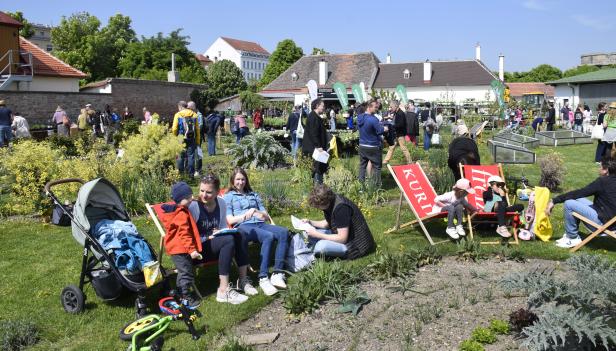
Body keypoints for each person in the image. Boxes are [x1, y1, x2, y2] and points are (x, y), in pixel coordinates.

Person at [188, 175, 254, 304]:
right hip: (198, 250)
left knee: (240, 234)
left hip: (214, 243)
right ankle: (223, 290)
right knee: (228, 240)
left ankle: (243, 281)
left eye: (208, 192)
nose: (204, 195)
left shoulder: (221, 203)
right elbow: (188, 237)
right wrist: (207, 237)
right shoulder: (194, 207)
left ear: (218, 192)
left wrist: (220, 232)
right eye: (202, 191)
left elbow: (223, 226)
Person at [223, 168, 289, 296]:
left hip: (260, 223)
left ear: (246, 180)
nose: (241, 182)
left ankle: (277, 273)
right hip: (243, 226)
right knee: (268, 236)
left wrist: (256, 211)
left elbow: (265, 216)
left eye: (243, 179)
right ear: (232, 180)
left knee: (283, 232)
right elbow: (230, 219)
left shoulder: (253, 194)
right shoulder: (229, 197)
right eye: (238, 179)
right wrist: (244, 216)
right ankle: (263, 277)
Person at [546, 157, 616, 248]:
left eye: (600, 166)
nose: (599, 169)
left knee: (569, 204)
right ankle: (569, 234)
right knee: (578, 200)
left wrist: (554, 201)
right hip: (612, 221)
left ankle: (572, 238)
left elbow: (580, 192)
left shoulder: (603, 182)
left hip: (605, 224)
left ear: (606, 170)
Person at [301, 184, 376, 259]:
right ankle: (314, 246)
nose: (317, 208)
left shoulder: (341, 209)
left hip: (355, 245)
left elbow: (342, 239)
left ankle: (314, 248)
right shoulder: (331, 201)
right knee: (307, 233)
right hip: (342, 236)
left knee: (320, 247)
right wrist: (310, 222)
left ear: (324, 202)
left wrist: (318, 235)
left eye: (317, 206)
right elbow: (328, 223)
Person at [161, 182, 203, 309]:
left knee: (183, 271)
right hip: (181, 248)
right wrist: (192, 250)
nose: (191, 199)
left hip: (176, 249)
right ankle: (186, 297)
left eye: (191, 196)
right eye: (188, 197)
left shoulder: (177, 210)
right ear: (180, 199)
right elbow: (184, 234)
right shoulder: (180, 214)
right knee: (186, 273)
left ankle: (179, 293)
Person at [357, 99, 386, 186]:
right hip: (373, 146)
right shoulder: (373, 119)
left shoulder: (360, 117)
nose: (376, 109)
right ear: (369, 107)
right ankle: (377, 186)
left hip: (362, 145)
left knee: (362, 166)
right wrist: (385, 128)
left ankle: (361, 186)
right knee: (377, 167)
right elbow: (380, 131)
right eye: (375, 107)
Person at [302, 98, 329, 184]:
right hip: (314, 148)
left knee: (319, 166)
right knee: (317, 167)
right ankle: (318, 186)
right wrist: (318, 146)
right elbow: (314, 133)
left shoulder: (315, 116)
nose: (323, 108)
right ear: (317, 106)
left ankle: (318, 185)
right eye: (322, 106)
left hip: (316, 147)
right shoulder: (313, 117)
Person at [172, 101, 200, 178]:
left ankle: (181, 175)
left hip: (181, 138)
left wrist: (175, 138)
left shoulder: (178, 115)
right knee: (191, 156)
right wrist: (197, 140)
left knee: (180, 156)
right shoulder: (194, 114)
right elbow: (197, 129)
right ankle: (191, 175)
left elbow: (174, 129)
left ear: (180, 107)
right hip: (192, 138)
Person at [383, 100, 411, 165]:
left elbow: (401, 125)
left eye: (391, 107)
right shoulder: (397, 112)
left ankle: (409, 161)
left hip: (400, 134)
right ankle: (385, 161)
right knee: (391, 147)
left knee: (403, 148)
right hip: (396, 134)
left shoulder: (400, 113)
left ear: (395, 106)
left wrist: (392, 125)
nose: (390, 108)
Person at [187, 101, 204, 177]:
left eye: (189, 108)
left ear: (193, 107)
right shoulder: (190, 115)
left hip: (197, 137)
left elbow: (200, 126)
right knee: (191, 154)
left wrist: (193, 131)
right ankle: (192, 169)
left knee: (198, 153)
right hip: (192, 137)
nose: (188, 109)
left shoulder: (198, 115)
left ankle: (199, 170)